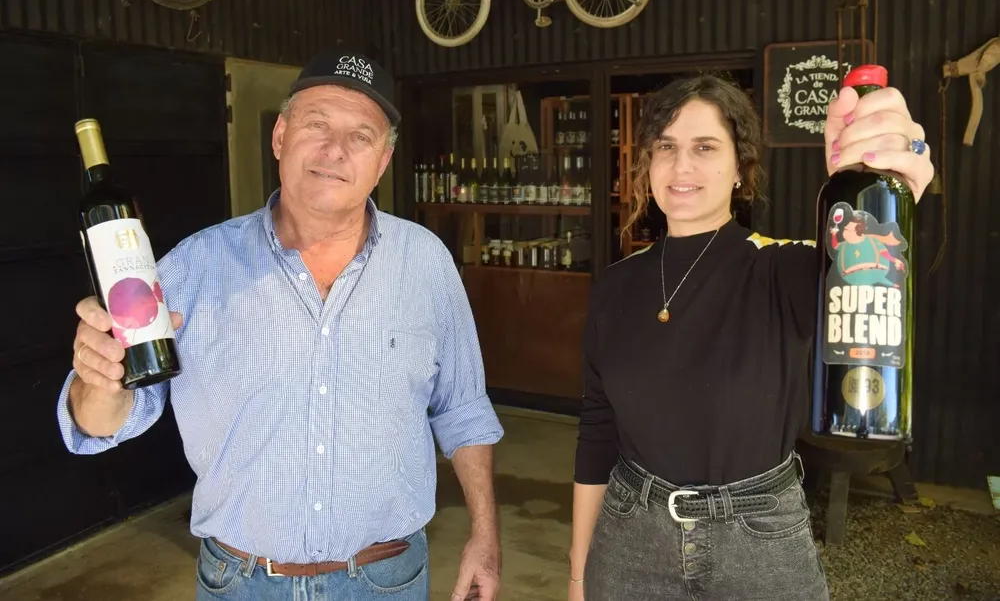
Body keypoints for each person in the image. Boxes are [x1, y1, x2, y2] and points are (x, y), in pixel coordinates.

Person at [58, 49, 504, 601]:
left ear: (382, 162)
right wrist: (96, 381)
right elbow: (105, 421)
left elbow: (463, 408)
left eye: (361, 136)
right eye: (317, 125)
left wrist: (485, 536)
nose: (335, 151)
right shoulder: (194, 267)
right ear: (280, 137)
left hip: (385, 580)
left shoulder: (425, 263)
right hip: (241, 583)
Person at [567, 74, 934, 600]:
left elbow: (877, 279)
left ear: (740, 167)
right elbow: (597, 430)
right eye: (666, 146)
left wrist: (893, 193)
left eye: (705, 147)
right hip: (629, 538)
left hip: (758, 539)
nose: (682, 165)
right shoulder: (615, 286)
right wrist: (579, 572)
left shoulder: (784, 268)